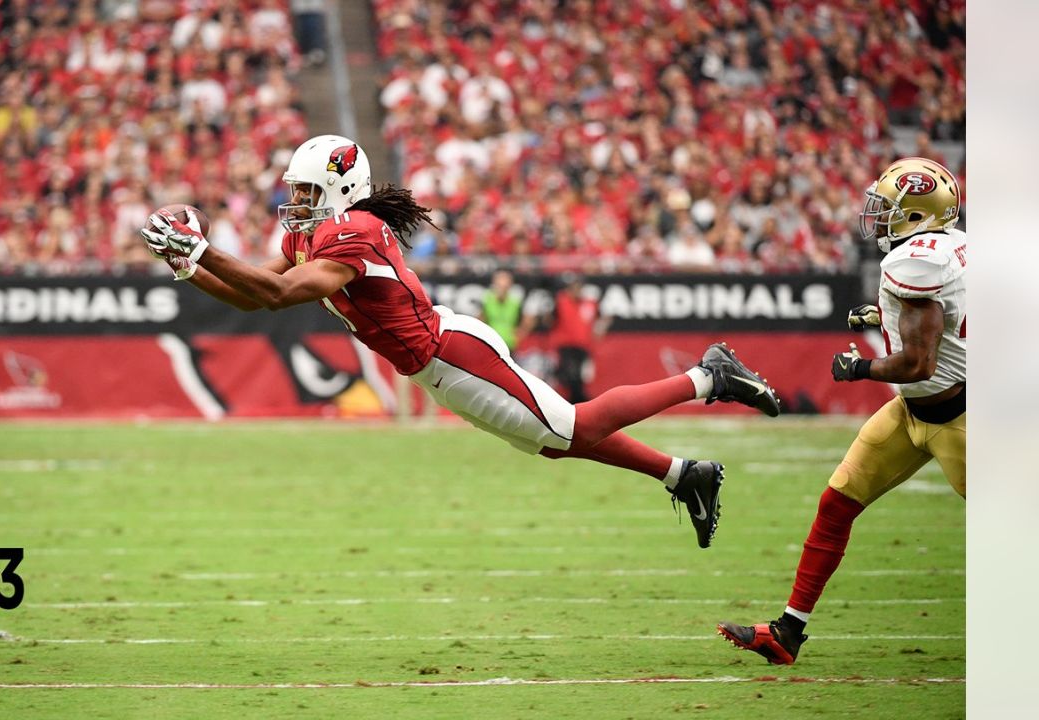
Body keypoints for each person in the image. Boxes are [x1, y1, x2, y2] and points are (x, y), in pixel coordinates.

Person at [141, 135, 783, 548]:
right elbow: (255, 294)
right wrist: (190, 267)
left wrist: (202, 247)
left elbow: (277, 295)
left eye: (308, 190)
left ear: (340, 187)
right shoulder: (312, 236)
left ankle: (709, 377)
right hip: (440, 363)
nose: (298, 201)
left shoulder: (353, 231)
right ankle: (682, 474)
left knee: (572, 427)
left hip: (451, 355)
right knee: (558, 443)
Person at [718, 157, 966, 663]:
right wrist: (884, 314)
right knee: (837, 504)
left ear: (919, 215)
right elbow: (941, 316)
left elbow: (918, 363)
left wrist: (860, 370)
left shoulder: (916, 264)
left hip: (960, 419)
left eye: (890, 209)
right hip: (916, 411)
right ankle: (788, 632)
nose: (877, 216)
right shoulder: (950, 248)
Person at [549, 273, 605, 403]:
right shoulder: (560, 301)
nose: (576, 291)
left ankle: (575, 400)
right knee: (570, 373)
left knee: (579, 375)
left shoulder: (589, 303)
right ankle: (577, 399)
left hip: (582, 345)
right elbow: (551, 320)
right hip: (566, 344)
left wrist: (598, 331)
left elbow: (601, 318)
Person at [478, 269, 527, 352]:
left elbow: (525, 322)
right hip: (491, 343)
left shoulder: (515, 303)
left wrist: (518, 336)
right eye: (500, 284)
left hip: (509, 344)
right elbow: (480, 320)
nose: (502, 288)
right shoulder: (487, 300)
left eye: (505, 285)